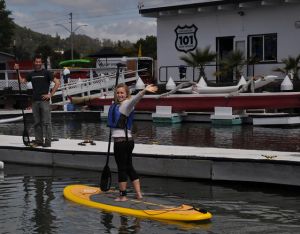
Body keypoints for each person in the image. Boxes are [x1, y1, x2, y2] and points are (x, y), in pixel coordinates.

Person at [108, 83, 157, 201]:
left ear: (126, 94)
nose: (120, 95)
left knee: (121, 168)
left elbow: (135, 99)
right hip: (128, 141)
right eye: (118, 93)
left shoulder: (126, 105)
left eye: (122, 93)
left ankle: (123, 196)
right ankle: (139, 194)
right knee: (129, 167)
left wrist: (144, 91)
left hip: (121, 143)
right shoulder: (116, 105)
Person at [14, 54, 60, 147]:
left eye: (39, 62)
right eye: (36, 61)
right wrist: (17, 70)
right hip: (35, 101)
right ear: (34, 62)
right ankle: (39, 141)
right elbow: (21, 81)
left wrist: (50, 94)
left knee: (46, 122)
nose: (38, 63)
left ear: (41, 63)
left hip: (44, 101)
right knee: (37, 122)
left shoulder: (47, 73)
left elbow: (57, 82)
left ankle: (47, 142)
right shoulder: (31, 74)